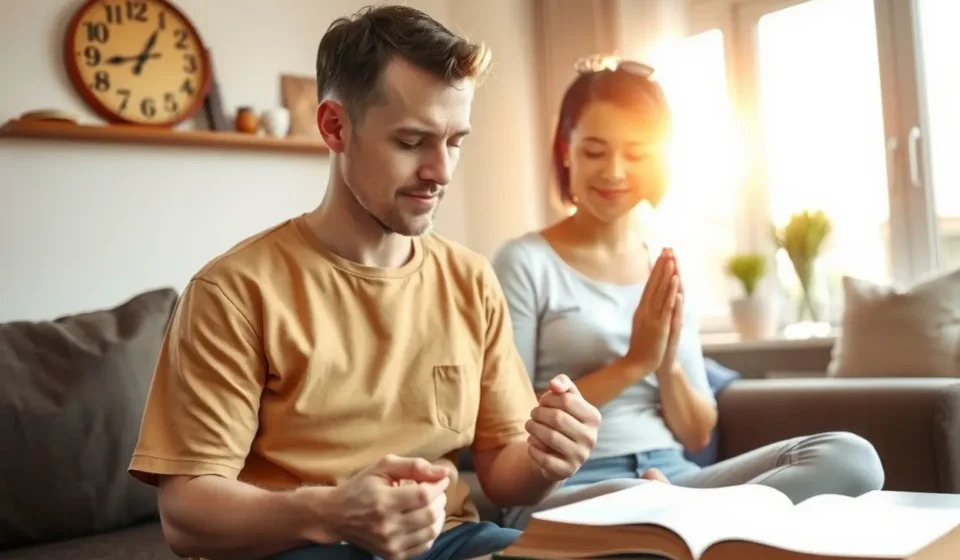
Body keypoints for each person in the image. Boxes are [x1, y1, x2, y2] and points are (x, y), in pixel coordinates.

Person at [127, 7, 602, 560]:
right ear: (334, 127)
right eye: (411, 141)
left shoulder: (471, 280)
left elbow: (501, 472)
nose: (441, 171)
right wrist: (334, 511)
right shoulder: (233, 292)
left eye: (454, 141)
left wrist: (546, 460)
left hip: (450, 541)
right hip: (300, 548)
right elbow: (186, 516)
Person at [490, 56, 886, 530]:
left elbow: (697, 430)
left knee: (851, 457)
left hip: (673, 476)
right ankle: (687, 521)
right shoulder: (525, 261)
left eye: (635, 154)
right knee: (639, 498)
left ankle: (682, 519)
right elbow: (510, 418)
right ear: (565, 150)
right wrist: (633, 363)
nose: (615, 172)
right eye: (595, 151)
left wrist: (666, 361)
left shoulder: (664, 267)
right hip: (570, 484)